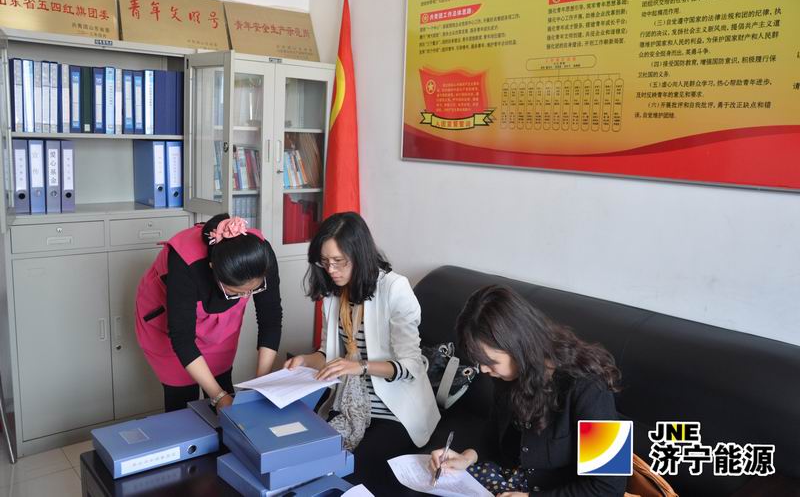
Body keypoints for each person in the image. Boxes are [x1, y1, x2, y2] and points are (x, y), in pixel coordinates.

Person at [285, 212, 440, 488]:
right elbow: (328, 355)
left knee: (351, 473)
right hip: (349, 402)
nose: (331, 270)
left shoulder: (394, 288)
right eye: (324, 262)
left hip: (394, 411)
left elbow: (411, 366)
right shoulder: (334, 293)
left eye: (338, 261)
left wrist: (361, 366)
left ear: (359, 254)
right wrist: (305, 360)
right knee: (303, 462)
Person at [430, 285, 627, 496]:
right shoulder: (510, 375)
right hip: (511, 478)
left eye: (490, 362)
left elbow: (609, 488)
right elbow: (494, 436)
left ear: (519, 347)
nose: (483, 369)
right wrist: (467, 457)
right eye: (479, 361)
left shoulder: (590, 385)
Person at [135, 214, 282, 413]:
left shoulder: (259, 256)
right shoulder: (185, 262)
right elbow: (182, 339)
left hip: (220, 325)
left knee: (222, 384)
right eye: (237, 292)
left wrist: (261, 383)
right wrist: (219, 396)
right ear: (214, 271)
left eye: (252, 290)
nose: (246, 297)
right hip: (169, 325)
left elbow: (270, 319)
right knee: (183, 401)